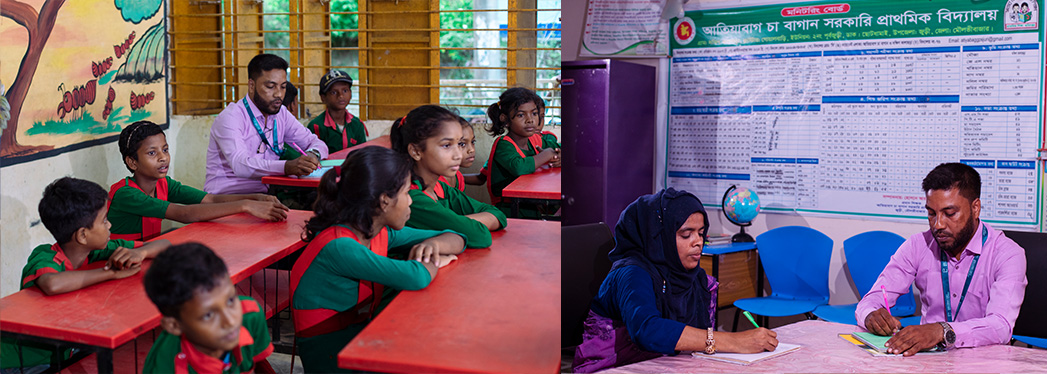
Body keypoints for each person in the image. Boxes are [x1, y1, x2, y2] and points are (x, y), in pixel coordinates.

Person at [292, 146, 465, 372]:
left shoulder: (378, 232)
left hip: (357, 330)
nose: (411, 202)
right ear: (384, 201)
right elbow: (416, 277)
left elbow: (457, 236)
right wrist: (435, 261)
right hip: (327, 348)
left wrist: (434, 245)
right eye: (406, 193)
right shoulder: (340, 246)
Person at [573, 188, 778, 373]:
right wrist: (735, 341)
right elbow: (647, 330)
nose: (698, 242)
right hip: (614, 367)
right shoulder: (632, 273)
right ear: (658, 237)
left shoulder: (694, 277)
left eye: (701, 233)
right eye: (686, 235)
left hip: (667, 365)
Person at [0, 177, 171, 371]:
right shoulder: (45, 256)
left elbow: (165, 244)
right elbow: (52, 283)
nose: (110, 225)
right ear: (82, 235)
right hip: (22, 361)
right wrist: (111, 273)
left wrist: (140, 253)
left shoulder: (96, 251)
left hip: (64, 350)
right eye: (104, 221)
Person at [857, 163, 1027, 356]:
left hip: (982, 359)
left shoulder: (1007, 254)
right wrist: (870, 315)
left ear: (975, 208)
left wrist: (942, 331)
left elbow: (1001, 326)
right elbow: (870, 300)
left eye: (949, 213)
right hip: (925, 358)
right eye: (931, 213)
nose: (938, 224)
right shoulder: (918, 245)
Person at [108, 121, 289, 241]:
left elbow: (210, 199)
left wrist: (255, 197)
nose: (163, 158)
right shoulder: (126, 194)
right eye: (152, 153)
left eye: (165, 149)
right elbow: (184, 214)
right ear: (132, 162)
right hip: (116, 260)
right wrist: (245, 206)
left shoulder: (164, 184)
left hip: (143, 255)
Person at [204, 53, 328, 194]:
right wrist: (287, 167)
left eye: (283, 87)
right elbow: (240, 165)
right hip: (227, 197)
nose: (278, 94)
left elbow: (316, 143)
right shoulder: (231, 117)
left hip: (264, 194)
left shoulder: (281, 114)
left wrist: (312, 155)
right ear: (251, 85)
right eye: (270, 86)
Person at [142, 243, 273, 373]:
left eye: (230, 301)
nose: (230, 321)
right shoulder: (165, 368)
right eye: (208, 315)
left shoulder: (250, 316)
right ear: (174, 326)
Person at [391, 105, 507, 248]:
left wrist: (458, 222)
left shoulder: (439, 188)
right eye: (446, 145)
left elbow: (498, 215)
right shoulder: (411, 197)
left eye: (459, 144)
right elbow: (480, 236)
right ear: (416, 151)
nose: (458, 155)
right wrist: (461, 224)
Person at [482, 87, 561, 216]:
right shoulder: (504, 144)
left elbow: (558, 147)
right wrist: (547, 154)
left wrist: (560, 155)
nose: (530, 120)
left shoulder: (534, 140)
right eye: (521, 115)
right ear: (505, 119)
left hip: (530, 203)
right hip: (508, 209)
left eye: (534, 113)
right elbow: (519, 167)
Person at [305, 69, 368, 154]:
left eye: (345, 91)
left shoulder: (357, 125)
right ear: (323, 98)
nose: (341, 96)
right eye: (334, 92)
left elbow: (362, 155)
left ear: (351, 93)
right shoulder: (316, 127)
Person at [441, 115, 485, 192]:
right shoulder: (435, 182)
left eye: (473, 142)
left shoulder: (458, 177)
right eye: (462, 144)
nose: (471, 150)